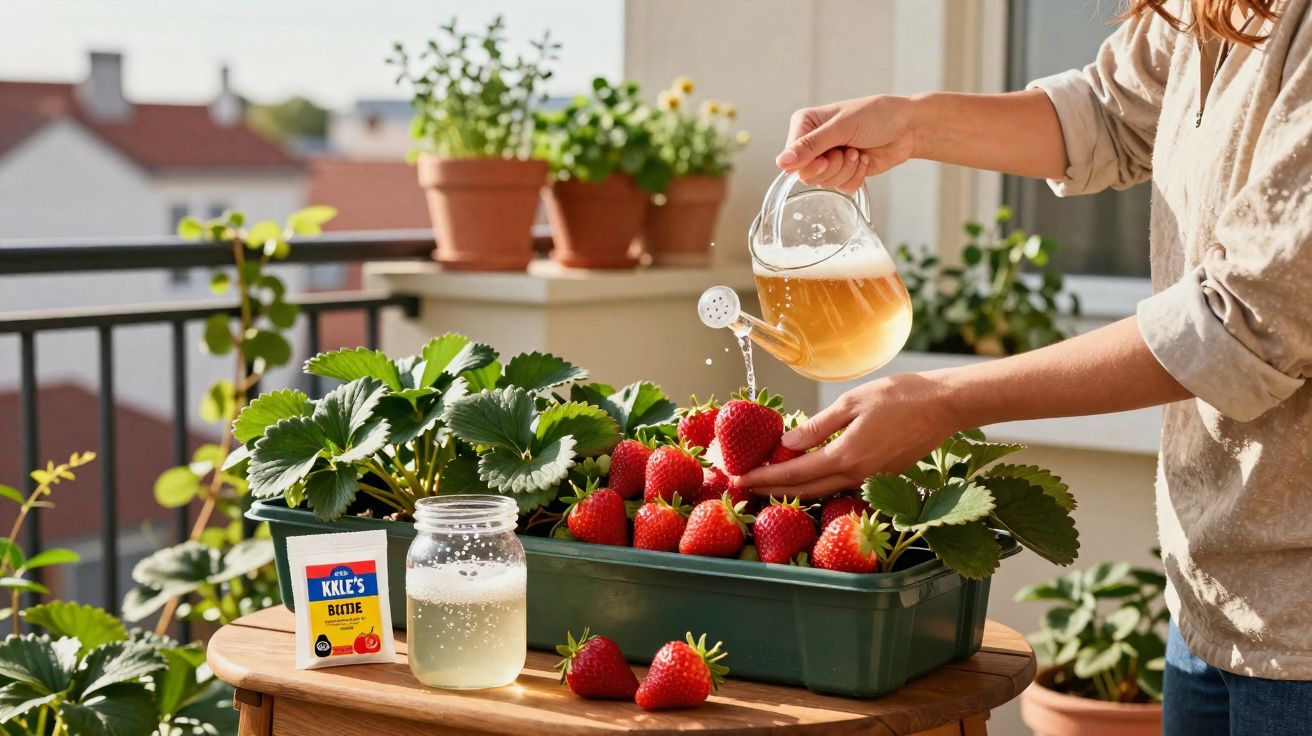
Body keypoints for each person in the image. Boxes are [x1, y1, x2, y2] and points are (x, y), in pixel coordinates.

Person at [734, 1, 1312, 733]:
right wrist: (909, 123)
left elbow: (1245, 320)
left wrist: (945, 400)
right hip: (1214, 594)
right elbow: (1107, 113)